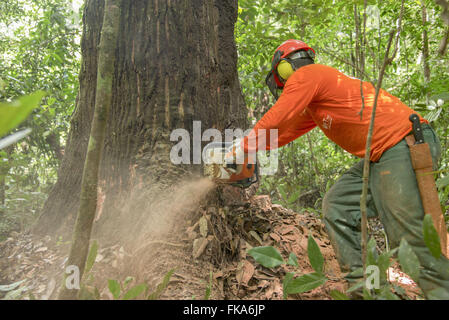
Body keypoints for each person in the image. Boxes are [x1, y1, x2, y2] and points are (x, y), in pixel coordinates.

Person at [238, 39, 449, 299]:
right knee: (339, 205)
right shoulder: (317, 101)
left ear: (284, 68)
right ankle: (366, 288)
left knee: (408, 237)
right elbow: (284, 131)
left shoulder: (308, 75)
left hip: (401, 145)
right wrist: (247, 149)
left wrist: (241, 147)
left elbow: (280, 113)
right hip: (382, 155)